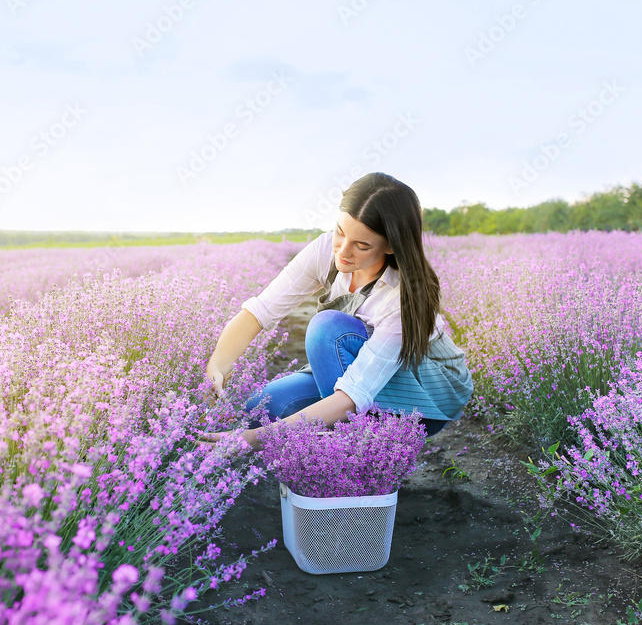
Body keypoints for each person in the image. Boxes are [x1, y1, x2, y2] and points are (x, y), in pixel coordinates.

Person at [200, 172, 473, 451]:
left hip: (426, 396)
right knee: (261, 408)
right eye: (340, 232)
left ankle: (352, 452)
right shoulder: (325, 251)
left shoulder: (401, 296)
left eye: (362, 245)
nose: (343, 251)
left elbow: (353, 395)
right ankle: (340, 441)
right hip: (357, 365)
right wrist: (218, 365)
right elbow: (260, 311)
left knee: (326, 329)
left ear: (391, 246)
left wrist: (253, 440)